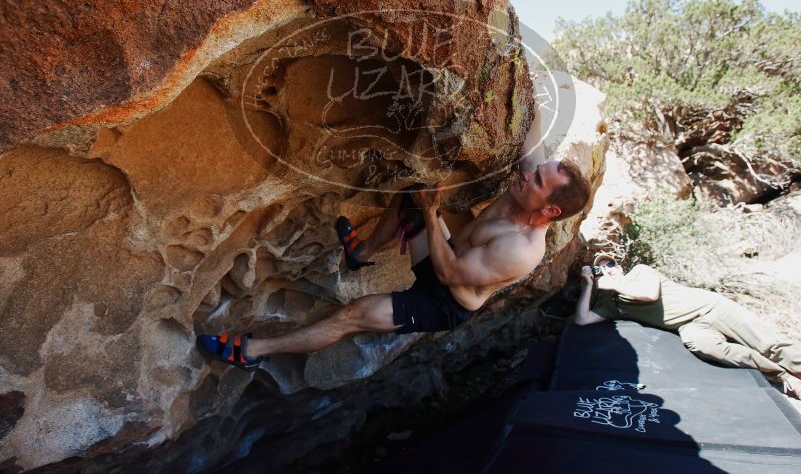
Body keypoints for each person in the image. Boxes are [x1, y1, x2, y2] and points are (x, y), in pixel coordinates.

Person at [197, 158, 591, 370]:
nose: (526, 175)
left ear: (550, 211)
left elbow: (449, 274)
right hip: (449, 259)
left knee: (352, 314)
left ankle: (253, 351)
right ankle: (361, 255)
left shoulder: (522, 249)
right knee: (411, 195)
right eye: (535, 171)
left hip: (444, 301)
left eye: (536, 179)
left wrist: (431, 214)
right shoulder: (524, 194)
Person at [574, 254, 801, 398]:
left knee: (770, 345)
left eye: (611, 264)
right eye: (602, 269)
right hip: (690, 325)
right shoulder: (612, 304)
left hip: (712, 307)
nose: (609, 270)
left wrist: (614, 283)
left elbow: (649, 294)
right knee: (700, 344)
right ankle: (783, 376)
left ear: (620, 266)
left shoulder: (640, 272)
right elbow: (582, 319)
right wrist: (588, 285)